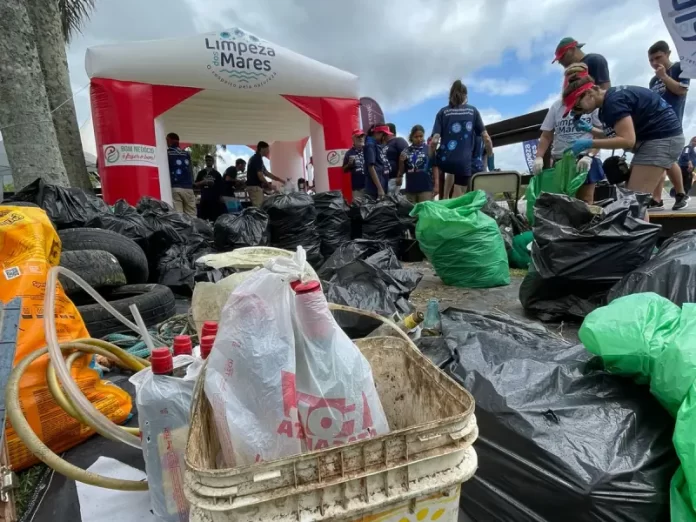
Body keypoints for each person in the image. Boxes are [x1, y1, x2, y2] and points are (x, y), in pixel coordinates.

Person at [562, 68, 685, 210]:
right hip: (653, 140)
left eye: (577, 106)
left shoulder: (613, 102)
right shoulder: (605, 106)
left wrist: (589, 143)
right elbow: (614, 135)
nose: (578, 111)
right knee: (631, 199)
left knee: (633, 202)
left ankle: (640, 230)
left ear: (589, 93)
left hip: (662, 138)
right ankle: (639, 229)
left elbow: (627, 140)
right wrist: (589, 129)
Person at [533, 66, 606, 204]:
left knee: (585, 201)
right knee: (562, 202)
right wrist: (539, 157)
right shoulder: (557, 106)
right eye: (570, 80)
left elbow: (601, 134)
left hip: (585, 158)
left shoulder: (592, 105)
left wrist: (589, 156)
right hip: (561, 160)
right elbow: (546, 135)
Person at [431, 80, 493, 199]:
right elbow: (486, 138)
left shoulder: (442, 112)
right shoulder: (472, 111)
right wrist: (490, 157)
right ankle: (454, 211)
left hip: (444, 160)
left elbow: (434, 141)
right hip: (463, 160)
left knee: (450, 170)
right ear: (465, 95)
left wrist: (431, 159)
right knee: (459, 193)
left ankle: (444, 198)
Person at [648, 40, 690, 209]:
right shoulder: (653, 81)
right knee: (658, 160)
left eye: (658, 57)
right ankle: (657, 199)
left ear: (668, 54)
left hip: (672, 124)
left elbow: (681, 90)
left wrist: (664, 77)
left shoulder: (679, 68)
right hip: (655, 125)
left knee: (668, 159)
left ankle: (681, 194)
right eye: (651, 60)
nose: (654, 63)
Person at [397, 125, 437, 203]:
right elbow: (401, 171)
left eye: (421, 136)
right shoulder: (406, 151)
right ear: (411, 137)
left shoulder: (429, 149)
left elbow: (435, 167)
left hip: (427, 189)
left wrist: (437, 186)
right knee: (412, 213)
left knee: (426, 213)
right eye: (416, 137)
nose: (419, 139)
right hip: (411, 190)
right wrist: (401, 161)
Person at [246, 141, 284, 207]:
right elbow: (260, 175)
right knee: (258, 208)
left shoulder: (257, 158)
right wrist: (269, 186)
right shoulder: (257, 159)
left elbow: (266, 173)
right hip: (254, 187)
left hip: (255, 187)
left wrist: (280, 180)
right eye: (267, 149)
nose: (268, 151)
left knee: (260, 206)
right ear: (262, 149)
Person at [166, 133, 196, 216]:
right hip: (189, 189)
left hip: (176, 187)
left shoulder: (167, 154)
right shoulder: (186, 154)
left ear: (170, 140)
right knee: (192, 216)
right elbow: (191, 171)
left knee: (179, 216)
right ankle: (194, 229)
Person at [364, 124, 391, 198]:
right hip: (375, 190)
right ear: (377, 133)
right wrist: (380, 189)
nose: (386, 137)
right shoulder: (370, 145)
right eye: (385, 134)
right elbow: (371, 167)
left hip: (382, 185)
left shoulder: (377, 144)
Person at [194, 154, 224, 222]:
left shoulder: (217, 173)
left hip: (214, 198)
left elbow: (221, 186)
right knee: (203, 216)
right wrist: (203, 182)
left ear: (213, 162)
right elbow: (196, 184)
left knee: (214, 216)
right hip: (204, 196)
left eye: (210, 160)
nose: (208, 162)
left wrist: (221, 196)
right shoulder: (201, 173)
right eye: (207, 160)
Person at [343, 129, 366, 200]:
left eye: (362, 136)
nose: (361, 138)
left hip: (370, 186)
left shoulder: (369, 149)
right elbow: (344, 170)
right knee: (359, 209)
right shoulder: (349, 153)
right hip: (357, 188)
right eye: (358, 136)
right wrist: (349, 165)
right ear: (353, 139)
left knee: (373, 208)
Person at [385, 123, 409, 194]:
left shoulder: (399, 141)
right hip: (384, 179)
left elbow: (406, 157)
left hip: (394, 178)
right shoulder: (384, 144)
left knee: (392, 201)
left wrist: (400, 175)